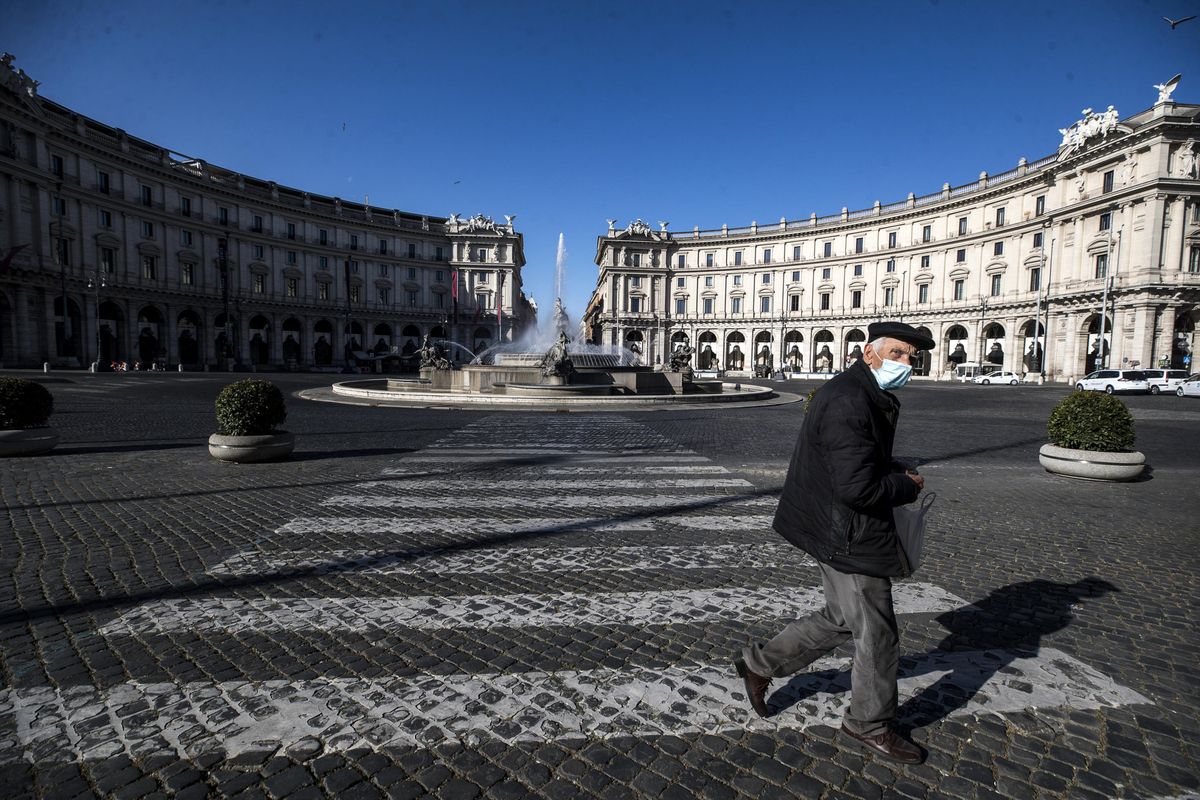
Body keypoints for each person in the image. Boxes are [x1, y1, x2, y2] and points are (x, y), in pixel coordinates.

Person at [734, 320, 935, 765]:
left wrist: (892, 467)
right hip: (849, 532)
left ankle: (759, 664)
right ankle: (868, 723)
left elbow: (854, 462)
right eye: (898, 354)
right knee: (877, 633)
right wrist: (908, 486)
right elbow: (858, 489)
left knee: (842, 617)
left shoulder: (856, 391)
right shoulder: (850, 401)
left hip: (832, 525)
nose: (906, 364)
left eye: (911, 358)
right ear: (870, 354)